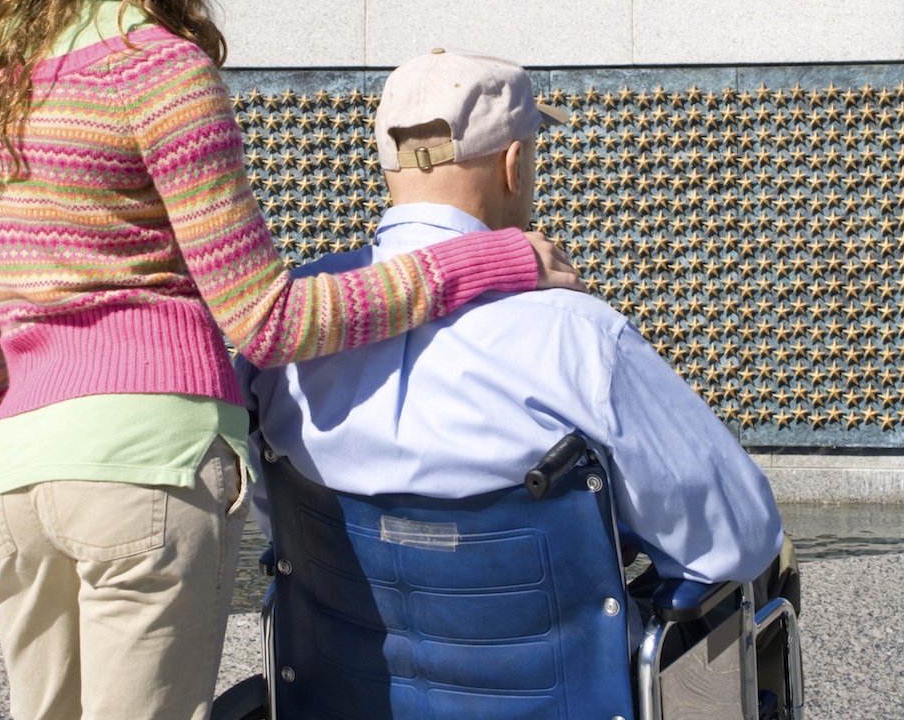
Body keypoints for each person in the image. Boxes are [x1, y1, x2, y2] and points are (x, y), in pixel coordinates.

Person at [0, 0, 580, 720]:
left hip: (20, 482)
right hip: (148, 467)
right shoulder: (158, 68)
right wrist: (491, 261)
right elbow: (269, 319)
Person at [241, 48, 786, 608]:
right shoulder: (582, 339)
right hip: (553, 690)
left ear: (386, 163)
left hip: (342, 681)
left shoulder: (286, 335)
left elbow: (276, 528)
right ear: (514, 164)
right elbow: (741, 540)